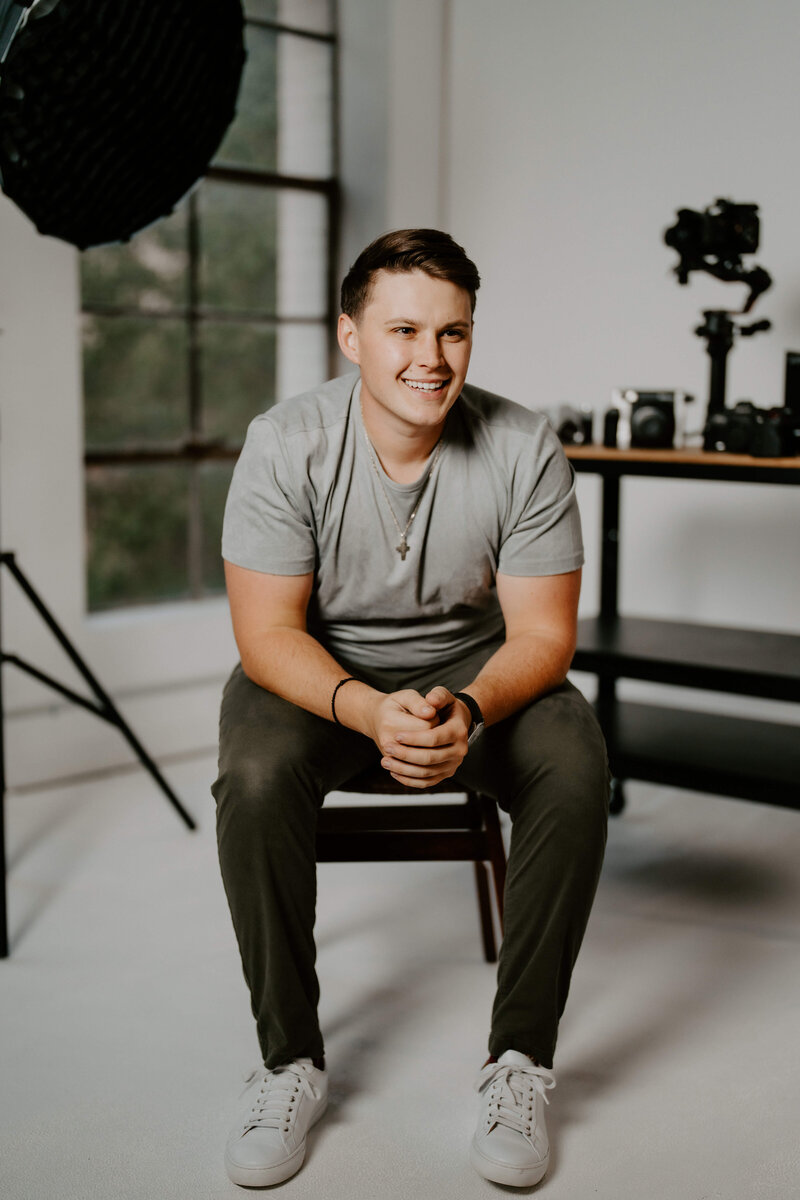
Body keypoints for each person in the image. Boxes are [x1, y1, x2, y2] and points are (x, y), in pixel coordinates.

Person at [212, 228, 609, 1190]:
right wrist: (362, 709)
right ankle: (288, 1063)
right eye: (402, 330)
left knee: (577, 763)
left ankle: (519, 1062)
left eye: (453, 333)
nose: (429, 359)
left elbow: (544, 639)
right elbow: (266, 635)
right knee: (257, 776)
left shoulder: (521, 446)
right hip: (319, 675)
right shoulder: (287, 443)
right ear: (351, 336)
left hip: (476, 681)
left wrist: (465, 711)